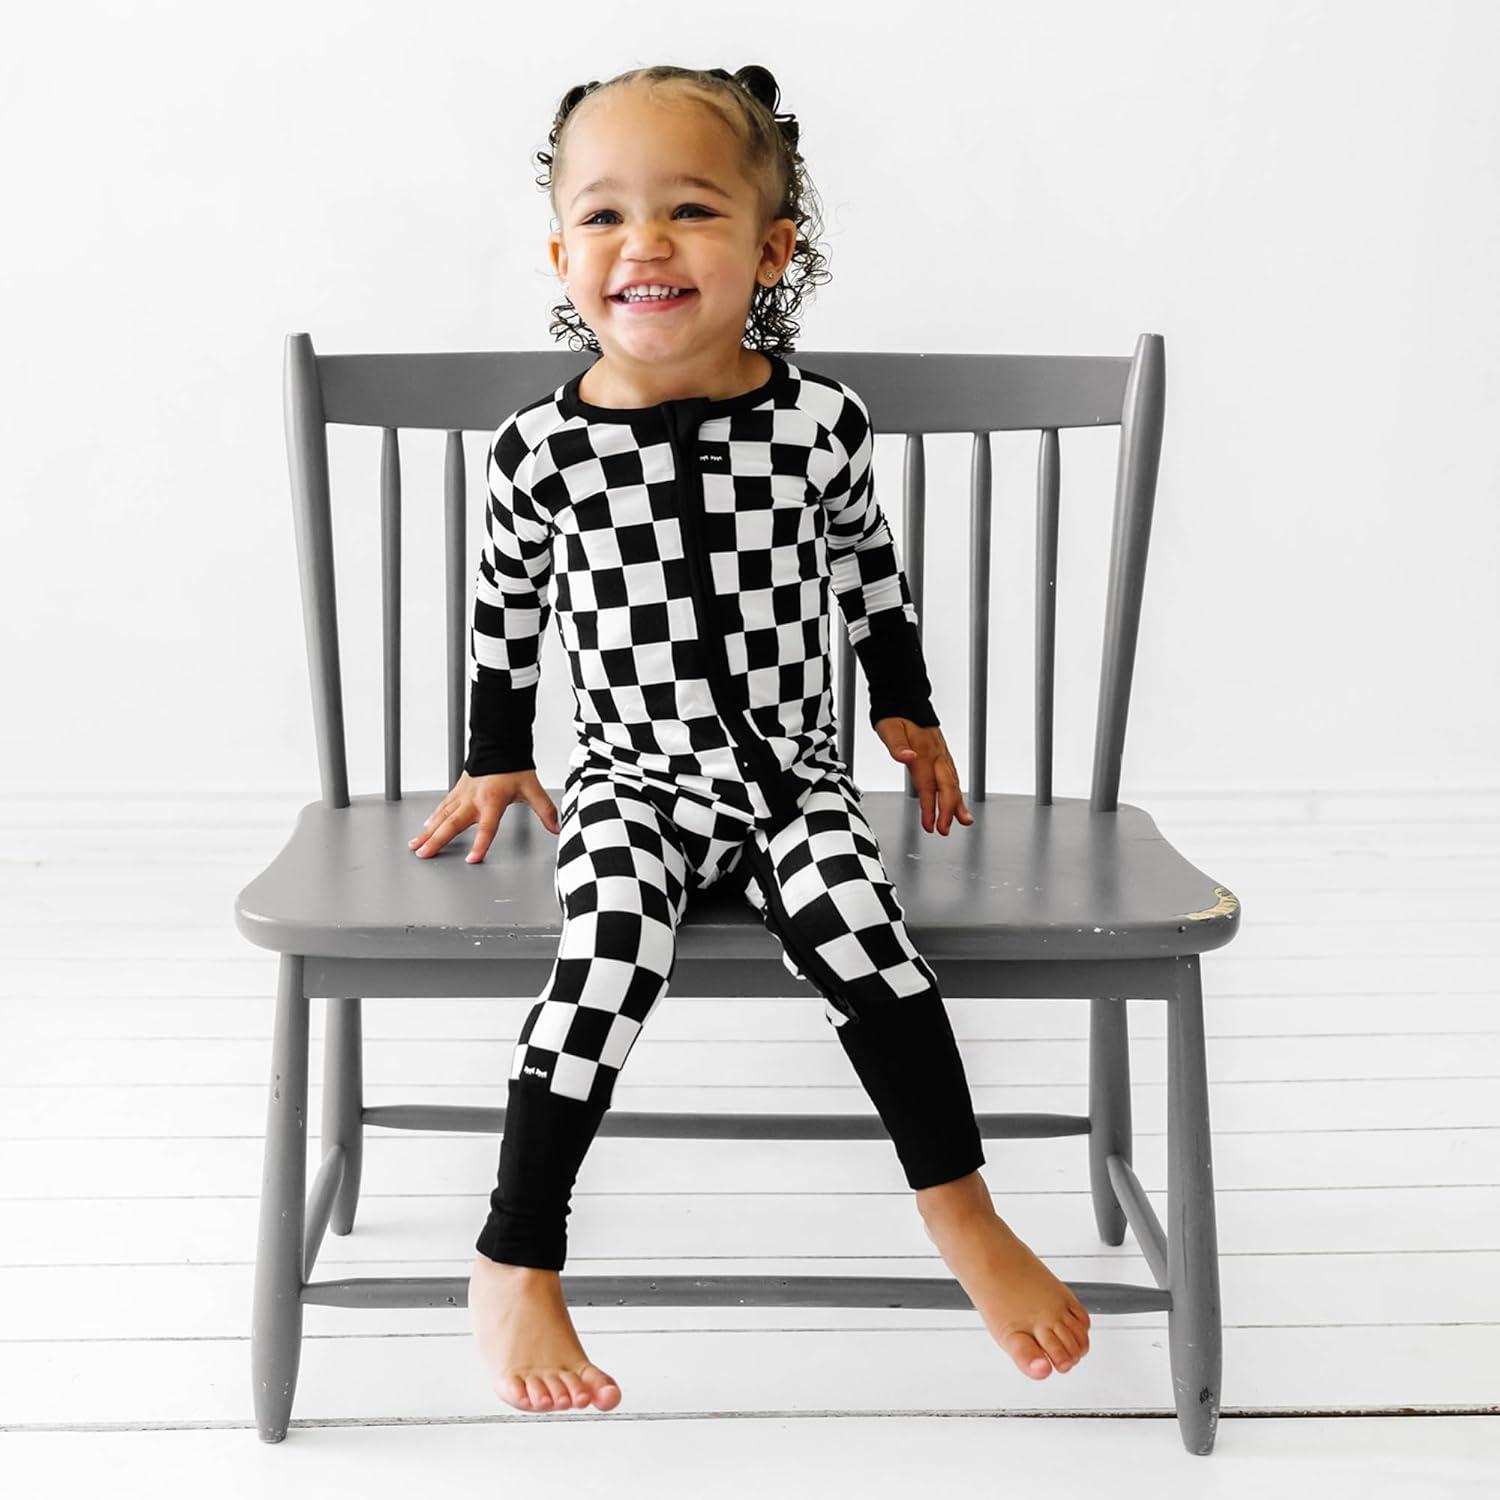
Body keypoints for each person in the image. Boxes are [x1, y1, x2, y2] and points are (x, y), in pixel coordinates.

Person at [409, 64, 1091, 1414]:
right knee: (609, 951)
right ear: (561, 255)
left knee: (865, 932)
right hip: (632, 786)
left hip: (793, 784)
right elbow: (505, 611)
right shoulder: (542, 452)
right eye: (604, 215)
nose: (645, 242)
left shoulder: (817, 425)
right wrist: (496, 752)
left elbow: (871, 572)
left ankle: (961, 1211)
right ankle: (516, 1252)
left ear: (772, 251)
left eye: (691, 209)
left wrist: (906, 706)